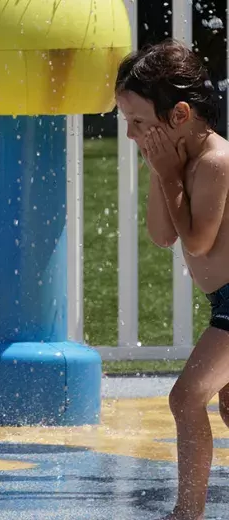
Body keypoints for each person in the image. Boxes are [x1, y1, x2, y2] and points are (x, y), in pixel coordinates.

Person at [116, 38, 229, 520]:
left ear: (179, 115)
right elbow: (164, 236)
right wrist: (161, 171)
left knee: (186, 398)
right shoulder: (180, 164)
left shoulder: (216, 162)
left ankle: (188, 514)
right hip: (223, 302)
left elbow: (199, 242)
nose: (129, 134)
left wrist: (168, 177)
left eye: (139, 123)